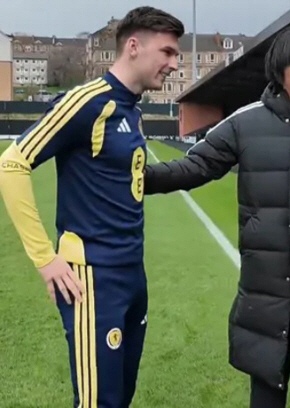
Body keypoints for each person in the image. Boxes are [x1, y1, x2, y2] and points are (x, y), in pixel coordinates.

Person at [143, 23, 290, 408]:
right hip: (266, 288)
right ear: (280, 69)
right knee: (266, 386)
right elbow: (195, 166)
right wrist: (136, 177)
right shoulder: (246, 122)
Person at [0, 7, 183, 407]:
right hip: (93, 280)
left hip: (132, 273)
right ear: (133, 46)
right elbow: (11, 164)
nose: (174, 63)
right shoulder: (86, 102)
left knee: (120, 396)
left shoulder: (131, 109)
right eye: (167, 52)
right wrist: (44, 258)